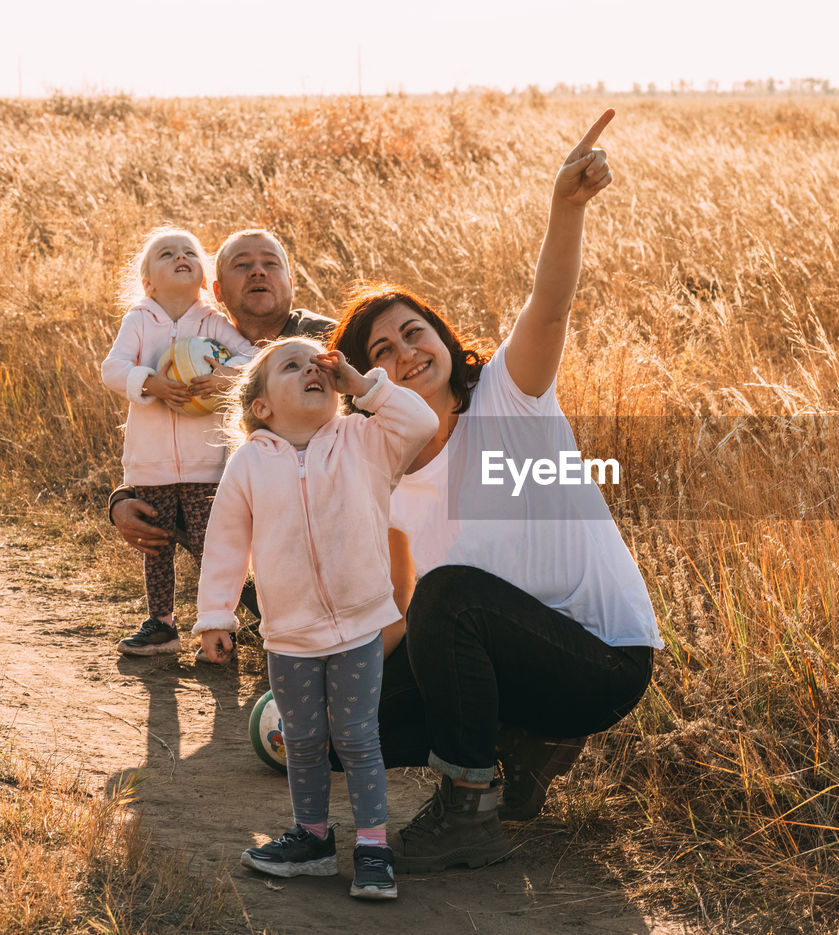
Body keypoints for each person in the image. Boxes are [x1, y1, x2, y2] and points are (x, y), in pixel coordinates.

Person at [329, 109, 663, 873]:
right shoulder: (387, 479)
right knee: (352, 733)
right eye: (381, 350)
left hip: (601, 661)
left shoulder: (509, 398)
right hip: (512, 667)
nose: (405, 352)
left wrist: (565, 209)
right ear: (366, 384)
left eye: (415, 332)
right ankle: (522, 745)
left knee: (448, 595)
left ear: (444, 338)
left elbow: (549, 306)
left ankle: (468, 809)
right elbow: (397, 625)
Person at [193, 337, 438, 900]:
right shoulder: (249, 463)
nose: (312, 369)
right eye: (292, 365)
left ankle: (373, 848)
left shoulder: (363, 440)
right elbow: (225, 542)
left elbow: (421, 422)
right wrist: (215, 616)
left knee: (356, 739)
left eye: (319, 363)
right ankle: (312, 841)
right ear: (261, 407)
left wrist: (366, 386)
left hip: (358, 625)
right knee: (302, 741)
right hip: (289, 633)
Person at [107, 229, 335, 659]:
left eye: (271, 263)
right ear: (217, 290)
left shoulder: (320, 339)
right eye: (242, 265)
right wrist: (122, 497)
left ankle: (303, 631)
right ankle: (191, 623)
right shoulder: (200, 344)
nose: (258, 272)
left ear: (290, 281)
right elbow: (159, 433)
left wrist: (243, 380)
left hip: (327, 519)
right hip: (235, 504)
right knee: (195, 513)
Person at [101, 227, 256, 656]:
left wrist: (226, 375)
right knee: (157, 542)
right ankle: (162, 624)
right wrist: (148, 381)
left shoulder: (213, 322)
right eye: (166, 254)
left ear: (204, 276)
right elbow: (112, 368)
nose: (180, 256)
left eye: (189, 251)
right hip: (150, 460)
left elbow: (252, 357)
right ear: (148, 280)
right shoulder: (138, 320)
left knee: (214, 544)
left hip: (206, 460)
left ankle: (220, 624)